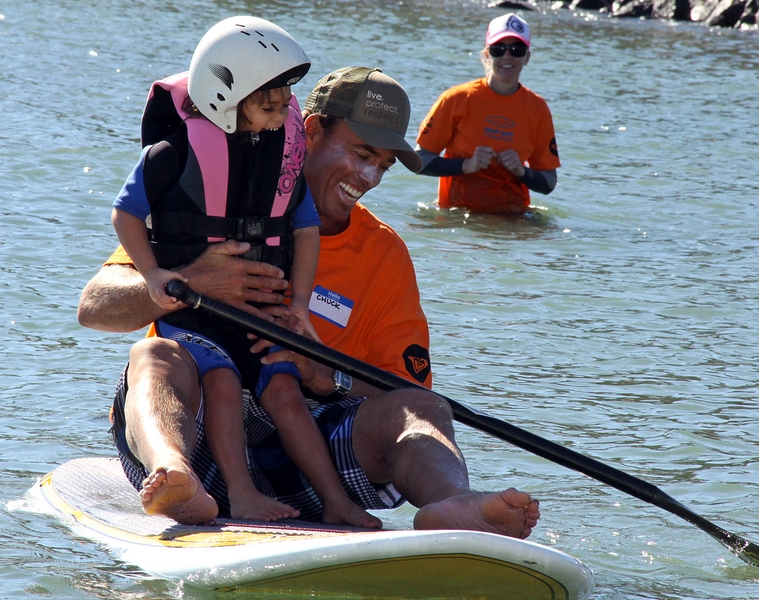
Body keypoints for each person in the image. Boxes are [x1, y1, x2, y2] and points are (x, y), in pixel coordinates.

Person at [78, 65, 541, 538]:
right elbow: (94, 307)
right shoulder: (208, 193)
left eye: (383, 165)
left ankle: (452, 506)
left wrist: (326, 374)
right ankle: (174, 475)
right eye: (362, 153)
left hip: (310, 460)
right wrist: (192, 282)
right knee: (153, 354)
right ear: (312, 131)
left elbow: (403, 390)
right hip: (200, 436)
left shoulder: (384, 253)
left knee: (428, 410)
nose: (370, 177)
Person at [109, 16, 377, 528]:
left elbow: (303, 229)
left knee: (284, 392)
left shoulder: (281, 163)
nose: (279, 119)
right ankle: (238, 491)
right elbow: (125, 213)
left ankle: (338, 501)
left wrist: (299, 304)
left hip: (259, 319)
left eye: (284, 107)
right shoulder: (171, 155)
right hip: (196, 320)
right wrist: (152, 275)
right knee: (225, 385)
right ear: (222, 94)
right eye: (267, 107)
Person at [415, 13, 561, 214]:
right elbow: (418, 161)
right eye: (498, 49)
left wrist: (521, 171)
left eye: (516, 49)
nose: (507, 56)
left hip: (513, 220)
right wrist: (466, 165)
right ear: (486, 55)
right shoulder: (457, 98)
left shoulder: (538, 109)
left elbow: (549, 183)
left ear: (527, 57)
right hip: (457, 218)